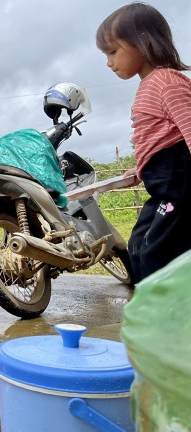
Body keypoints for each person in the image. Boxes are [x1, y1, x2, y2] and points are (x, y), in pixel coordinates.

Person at [96, 2, 191, 282]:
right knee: (137, 248)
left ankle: (168, 317)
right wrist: (141, 167)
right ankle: (160, 311)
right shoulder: (148, 84)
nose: (108, 62)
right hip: (162, 183)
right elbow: (158, 138)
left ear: (143, 42)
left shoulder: (167, 82)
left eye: (113, 51)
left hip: (179, 183)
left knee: (156, 252)